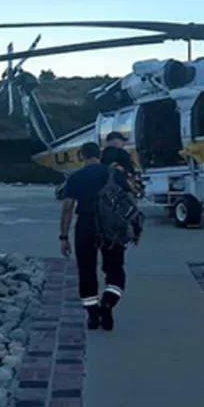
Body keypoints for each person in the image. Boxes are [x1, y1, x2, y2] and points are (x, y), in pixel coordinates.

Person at [57, 141, 133, 331]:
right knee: (115, 269)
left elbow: (67, 208)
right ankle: (107, 304)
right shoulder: (114, 174)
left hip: (86, 226)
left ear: (82, 156)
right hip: (111, 227)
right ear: (99, 155)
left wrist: (64, 237)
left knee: (86, 271)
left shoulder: (76, 177)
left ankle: (92, 314)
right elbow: (129, 200)